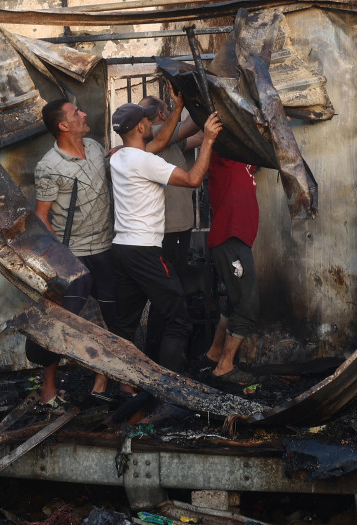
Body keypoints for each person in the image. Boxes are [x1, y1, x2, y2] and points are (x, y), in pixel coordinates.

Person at [107, 88, 223, 372]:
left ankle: (123, 382)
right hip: (146, 251)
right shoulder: (146, 161)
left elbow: (160, 139)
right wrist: (208, 140)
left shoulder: (118, 158)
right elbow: (195, 179)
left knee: (124, 325)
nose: (151, 124)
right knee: (178, 320)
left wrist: (179, 104)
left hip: (121, 249)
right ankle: (168, 388)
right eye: (147, 121)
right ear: (141, 126)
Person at [28, 98, 120, 406]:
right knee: (60, 321)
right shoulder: (49, 167)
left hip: (106, 247)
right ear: (63, 125)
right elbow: (42, 216)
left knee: (109, 316)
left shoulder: (94, 147)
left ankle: (103, 379)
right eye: (75, 113)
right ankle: (48, 389)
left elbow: (104, 181)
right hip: (74, 256)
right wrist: (60, 258)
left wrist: (119, 156)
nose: (83, 114)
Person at [137, 95, 202, 361]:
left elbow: (196, 134)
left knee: (169, 297)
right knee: (168, 299)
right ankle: (158, 358)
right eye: (166, 109)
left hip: (178, 230)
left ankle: (159, 355)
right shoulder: (155, 142)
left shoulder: (170, 142)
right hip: (167, 232)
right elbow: (189, 125)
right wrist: (189, 98)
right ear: (163, 116)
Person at [202, 152, 260, 384]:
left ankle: (214, 354)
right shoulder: (225, 155)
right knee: (248, 305)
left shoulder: (245, 161)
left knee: (236, 301)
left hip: (235, 240)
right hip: (230, 238)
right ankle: (224, 367)